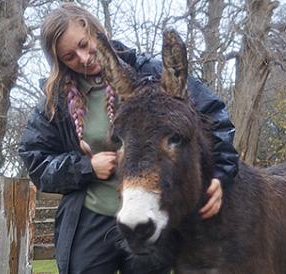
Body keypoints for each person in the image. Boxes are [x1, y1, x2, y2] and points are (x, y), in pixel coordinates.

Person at [18, 3, 238, 274]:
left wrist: (222, 175)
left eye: (85, 45)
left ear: (96, 32)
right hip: (92, 218)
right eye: (69, 57)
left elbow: (214, 118)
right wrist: (85, 167)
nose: (83, 58)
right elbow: (35, 160)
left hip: (153, 214)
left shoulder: (154, 74)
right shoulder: (56, 102)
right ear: (59, 61)